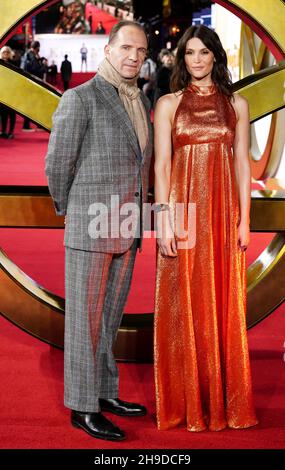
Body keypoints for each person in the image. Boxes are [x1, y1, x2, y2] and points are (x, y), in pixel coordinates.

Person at [45, 20, 152, 442]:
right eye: (126, 48)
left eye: (141, 51)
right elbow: (57, 165)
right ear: (108, 49)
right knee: (84, 323)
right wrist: (67, 209)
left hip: (128, 227)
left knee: (108, 320)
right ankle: (83, 406)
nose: (134, 57)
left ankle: (106, 393)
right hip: (90, 227)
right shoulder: (80, 98)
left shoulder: (141, 101)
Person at [154, 25, 258, 432]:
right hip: (182, 214)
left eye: (203, 52)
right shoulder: (167, 104)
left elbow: (243, 165)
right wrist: (162, 219)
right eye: (189, 53)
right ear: (182, 59)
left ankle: (222, 400)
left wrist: (244, 221)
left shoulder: (238, 104)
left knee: (221, 301)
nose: (196, 59)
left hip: (221, 212)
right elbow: (161, 166)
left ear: (216, 55)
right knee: (183, 301)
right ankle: (187, 401)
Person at [0, 46, 16, 139]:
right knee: (3, 113)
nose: (6, 54)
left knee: (12, 113)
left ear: (10, 54)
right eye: (4, 52)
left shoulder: (13, 64)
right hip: (2, 92)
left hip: (12, 92)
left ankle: (11, 132)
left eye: (7, 52)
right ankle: (3, 131)